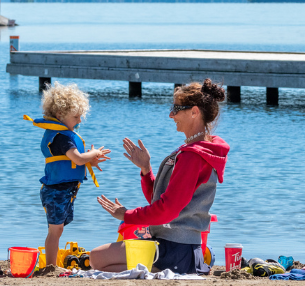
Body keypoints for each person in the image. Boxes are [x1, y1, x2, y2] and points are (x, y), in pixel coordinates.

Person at [91, 79, 230, 274]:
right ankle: (154, 269)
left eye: (176, 108)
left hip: (175, 249)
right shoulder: (199, 151)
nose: (171, 114)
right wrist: (146, 170)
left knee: (97, 258)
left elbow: (168, 211)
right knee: (99, 259)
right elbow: (163, 201)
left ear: (194, 112)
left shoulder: (193, 155)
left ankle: (156, 270)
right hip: (179, 248)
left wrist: (126, 215)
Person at [32, 82, 110, 273]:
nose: (80, 121)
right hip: (56, 190)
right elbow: (77, 158)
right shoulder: (62, 137)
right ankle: (51, 267)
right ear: (60, 115)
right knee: (55, 230)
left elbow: (71, 161)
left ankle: (52, 264)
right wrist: (92, 155)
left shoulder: (62, 135)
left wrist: (90, 161)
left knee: (57, 229)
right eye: (76, 117)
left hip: (63, 189)